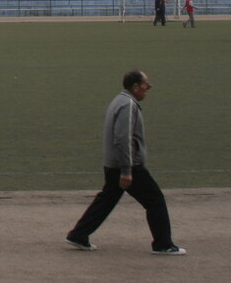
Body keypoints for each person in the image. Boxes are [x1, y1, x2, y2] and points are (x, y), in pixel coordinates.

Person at [65, 69, 185, 255]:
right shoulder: (128, 104)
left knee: (106, 200)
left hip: (113, 164)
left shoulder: (119, 100)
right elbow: (123, 138)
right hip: (127, 166)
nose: (148, 89)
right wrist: (127, 170)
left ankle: (78, 235)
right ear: (135, 87)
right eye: (146, 85)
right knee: (155, 200)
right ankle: (163, 244)